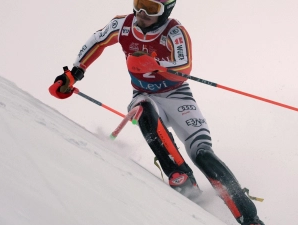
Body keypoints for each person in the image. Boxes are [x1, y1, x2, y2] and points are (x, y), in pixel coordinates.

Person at [51, 1, 264, 224]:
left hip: (178, 96)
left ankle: (249, 218)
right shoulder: (123, 24)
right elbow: (97, 41)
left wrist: (154, 63)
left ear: (166, 10)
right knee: (141, 109)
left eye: (151, 8)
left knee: (203, 154)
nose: (142, 13)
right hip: (145, 94)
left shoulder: (175, 31)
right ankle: (179, 174)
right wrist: (74, 73)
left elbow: (184, 66)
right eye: (139, 4)